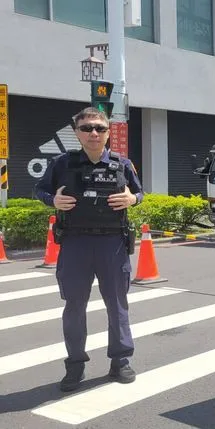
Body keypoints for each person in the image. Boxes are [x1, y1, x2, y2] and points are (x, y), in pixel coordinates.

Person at [34, 107, 143, 392]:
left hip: (112, 244)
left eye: (99, 128)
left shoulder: (122, 164)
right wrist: (51, 201)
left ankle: (120, 361)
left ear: (108, 132)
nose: (94, 133)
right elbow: (40, 190)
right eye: (87, 128)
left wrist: (133, 198)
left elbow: (139, 193)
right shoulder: (62, 163)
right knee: (74, 307)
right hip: (75, 244)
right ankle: (75, 365)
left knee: (117, 306)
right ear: (77, 133)